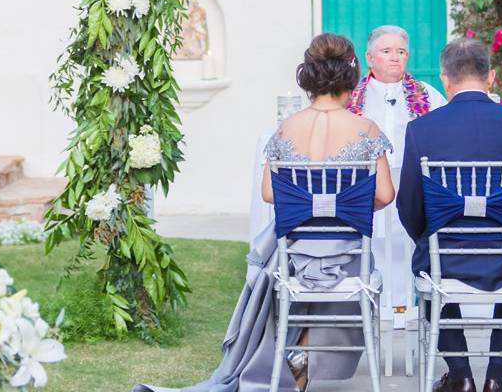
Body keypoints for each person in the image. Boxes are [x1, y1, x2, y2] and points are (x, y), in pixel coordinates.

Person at [133, 34, 394, 392]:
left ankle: (298, 352)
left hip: (295, 257)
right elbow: (385, 194)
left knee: (303, 260)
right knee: (350, 264)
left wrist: (312, 209)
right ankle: (305, 353)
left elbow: (270, 193)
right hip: (347, 257)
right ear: (351, 76)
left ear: (309, 77)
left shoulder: (286, 128)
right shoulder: (365, 129)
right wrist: (343, 208)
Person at [397, 38, 502, 392]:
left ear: (445, 79)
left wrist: (432, 237)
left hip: (445, 259)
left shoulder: (422, 129)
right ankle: (497, 373)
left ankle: (460, 373)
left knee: (425, 262)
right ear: (491, 77)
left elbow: (410, 204)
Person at [346, 25, 446, 323]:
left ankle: (408, 310)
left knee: (409, 244)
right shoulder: (353, 98)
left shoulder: (427, 96)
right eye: (386, 51)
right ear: (369, 57)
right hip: (370, 189)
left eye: (401, 52)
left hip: (412, 188)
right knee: (375, 243)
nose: (395, 58)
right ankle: (377, 309)